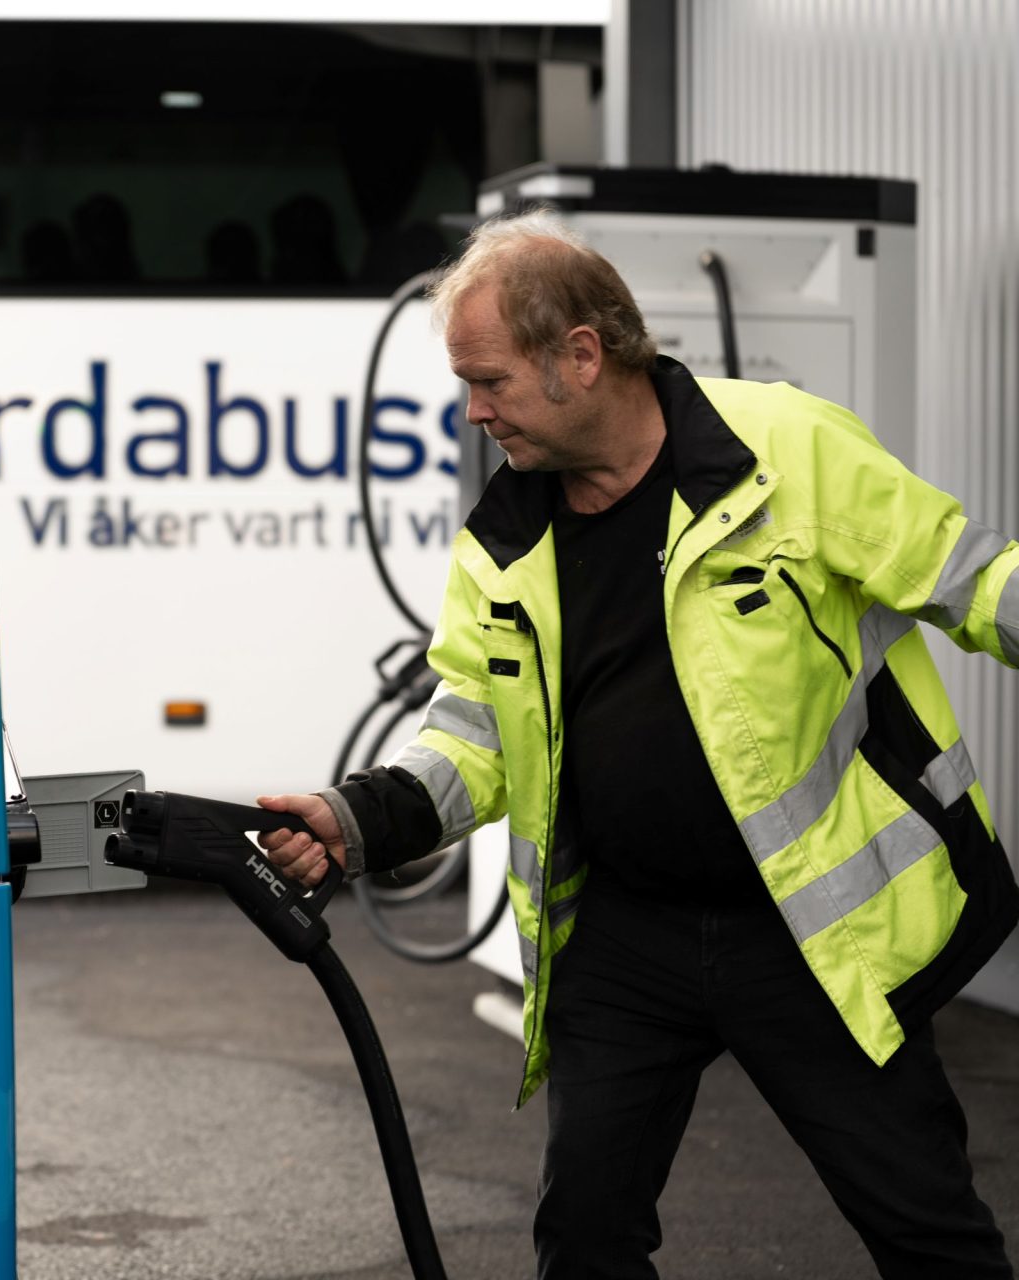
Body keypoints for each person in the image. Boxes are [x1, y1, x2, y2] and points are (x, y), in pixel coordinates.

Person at [256, 209, 1017, 1279]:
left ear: (581, 353)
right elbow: (473, 727)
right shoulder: (507, 539)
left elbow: (971, 575)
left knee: (925, 1225)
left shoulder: (783, 448)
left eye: (491, 382)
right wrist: (354, 818)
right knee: (587, 1236)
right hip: (623, 939)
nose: (474, 413)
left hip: (804, 930)